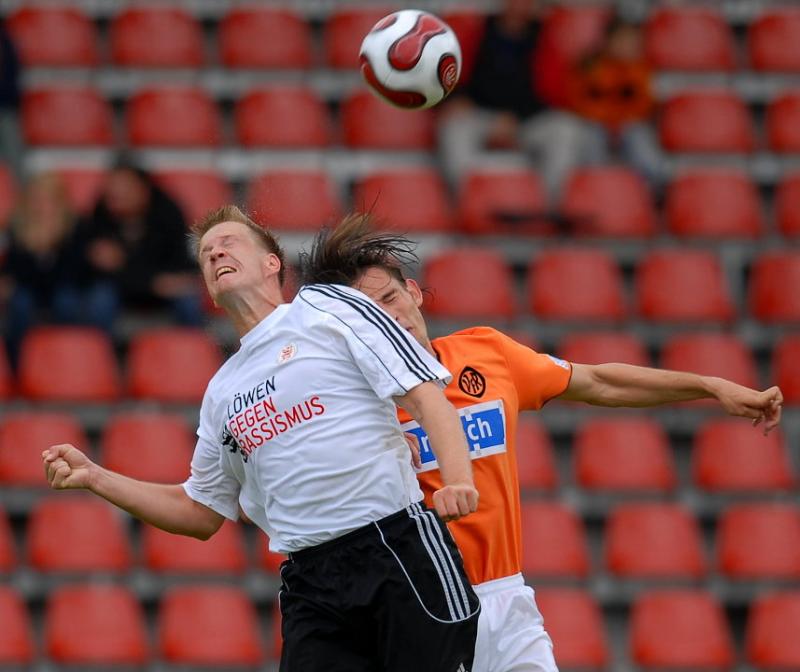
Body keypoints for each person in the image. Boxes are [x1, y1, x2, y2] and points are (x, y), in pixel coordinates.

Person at [300, 213, 785, 672]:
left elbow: (598, 382)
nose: (390, 318)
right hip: (421, 607)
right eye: (370, 315)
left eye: (391, 298)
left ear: (412, 292)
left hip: (508, 597)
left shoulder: (485, 353)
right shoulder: (354, 404)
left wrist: (708, 385)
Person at [43, 205, 481, 672]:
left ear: (273, 263)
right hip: (310, 581)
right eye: (206, 254)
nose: (215, 254)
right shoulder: (221, 391)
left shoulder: (328, 308)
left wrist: (458, 479)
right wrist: (96, 478)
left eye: (228, 243)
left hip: (395, 547)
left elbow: (425, 396)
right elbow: (199, 512)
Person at [438, 0, 606, 201]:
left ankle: (549, 206)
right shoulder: (479, 30)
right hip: (482, 116)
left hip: (528, 121)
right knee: (454, 127)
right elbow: (455, 76)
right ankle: (467, 202)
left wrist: (516, 118)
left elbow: (554, 92)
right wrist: (459, 99)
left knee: (566, 130)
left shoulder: (545, 35)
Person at [80, 161, 202, 330]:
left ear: (143, 189)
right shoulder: (99, 215)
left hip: (163, 287)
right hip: (123, 287)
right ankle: (96, 346)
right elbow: (96, 269)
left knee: (188, 301)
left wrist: (127, 266)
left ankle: (193, 345)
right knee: (99, 298)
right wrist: (152, 282)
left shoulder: (168, 214)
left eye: (124, 187)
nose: (116, 194)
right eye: (112, 188)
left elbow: (179, 265)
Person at [1, 173, 95, 366]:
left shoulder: (76, 226)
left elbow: (74, 274)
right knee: (20, 302)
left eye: (48, 199)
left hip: (63, 288)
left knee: (66, 300)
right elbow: (14, 272)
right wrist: (35, 252)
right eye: (36, 199)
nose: (41, 205)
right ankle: (18, 363)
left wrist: (50, 248)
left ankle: (65, 358)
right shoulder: (17, 226)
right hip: (29, 290)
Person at [569, 17, 663, 190]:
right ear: (608, 42)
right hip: (597, 126)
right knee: (591, 134)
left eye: (633, 41)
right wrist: (610, 122)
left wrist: (620, 122)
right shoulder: (591, 67)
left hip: (628, 128)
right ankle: (595, 186)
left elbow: (645, 106)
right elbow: (580, 104)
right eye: (623, 40)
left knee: (637, 134)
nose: (628, 46)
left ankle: (654, 188)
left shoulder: (642, 70)